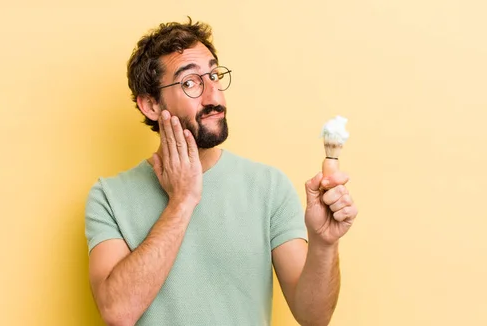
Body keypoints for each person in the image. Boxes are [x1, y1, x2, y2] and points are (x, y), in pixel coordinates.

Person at [85, 17, 358, 326]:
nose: (213, 96)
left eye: (213, 76)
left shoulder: (267, 186)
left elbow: (314, 316)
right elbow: (117, 313)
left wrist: (324, 244)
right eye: (190, 83)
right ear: (150, 104)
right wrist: (181, 202)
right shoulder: (109, 197)